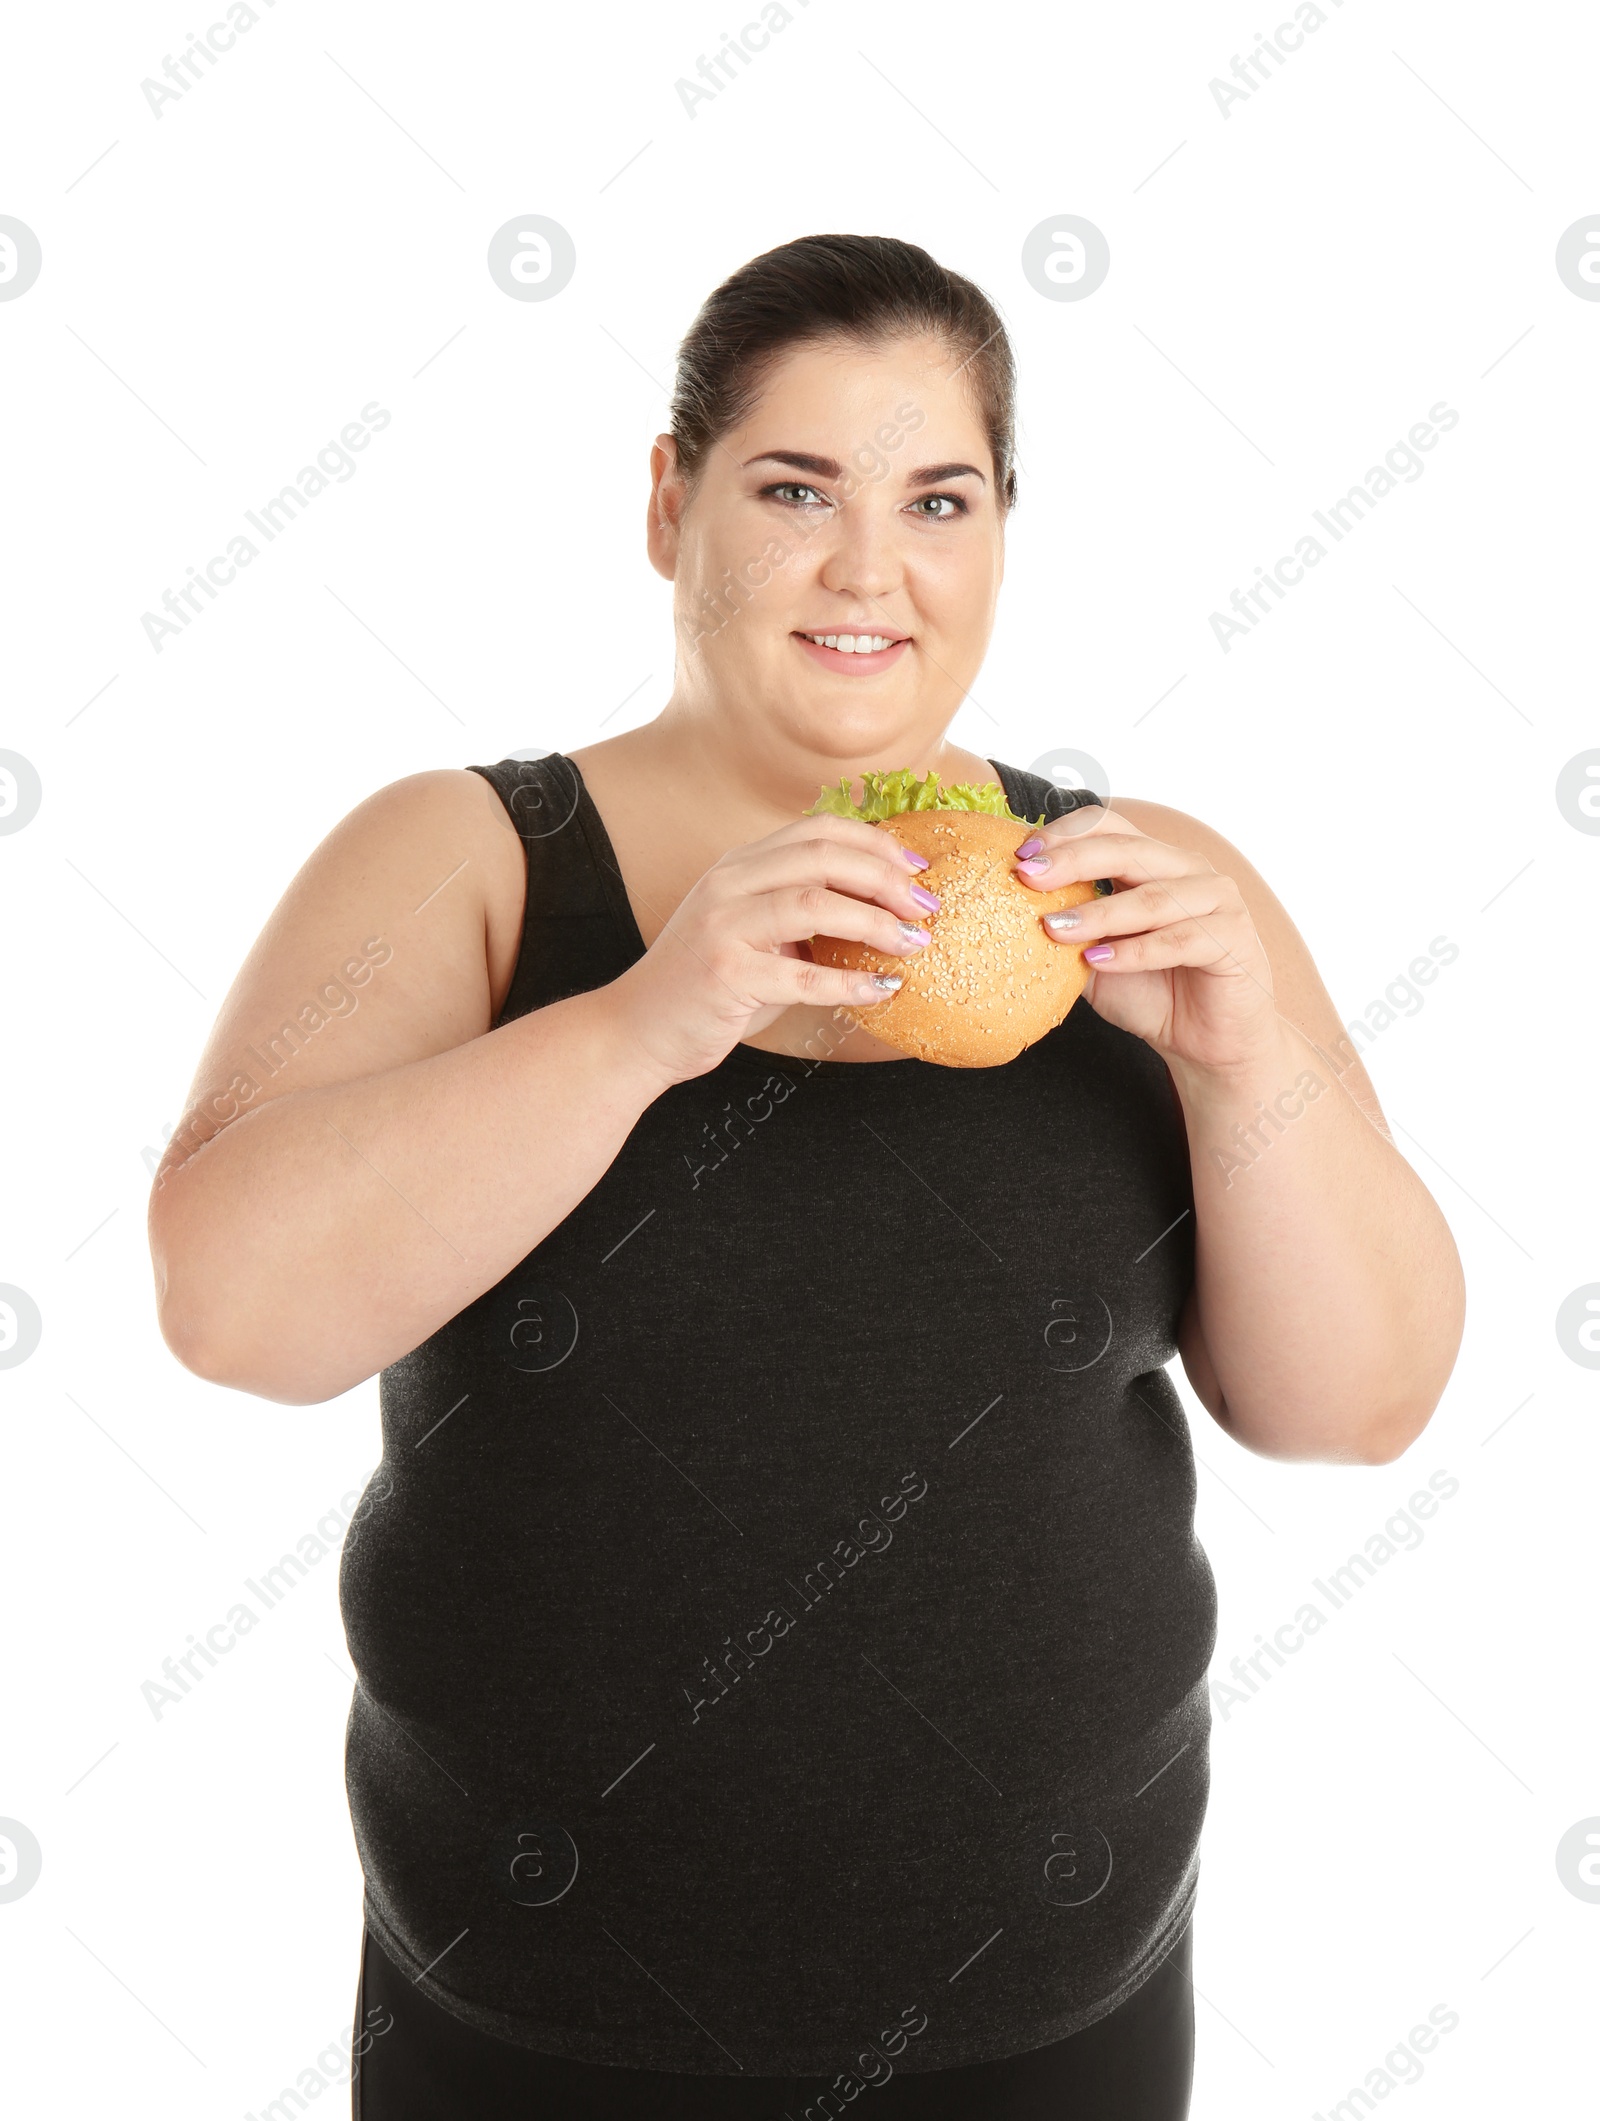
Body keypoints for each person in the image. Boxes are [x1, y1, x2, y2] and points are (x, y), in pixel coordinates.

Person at [148, 233, 1465, 2119]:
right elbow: (231, 1309)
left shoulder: (1141, 887)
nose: (870, 570)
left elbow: (1362, 1404)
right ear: (671, 502)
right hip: (537, 2017)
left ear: (1004, 528)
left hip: (1055, 2018)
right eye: (794, 491)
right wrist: (644, 1021)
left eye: (937, 498)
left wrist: (1247, 1058)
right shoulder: (473, 859)